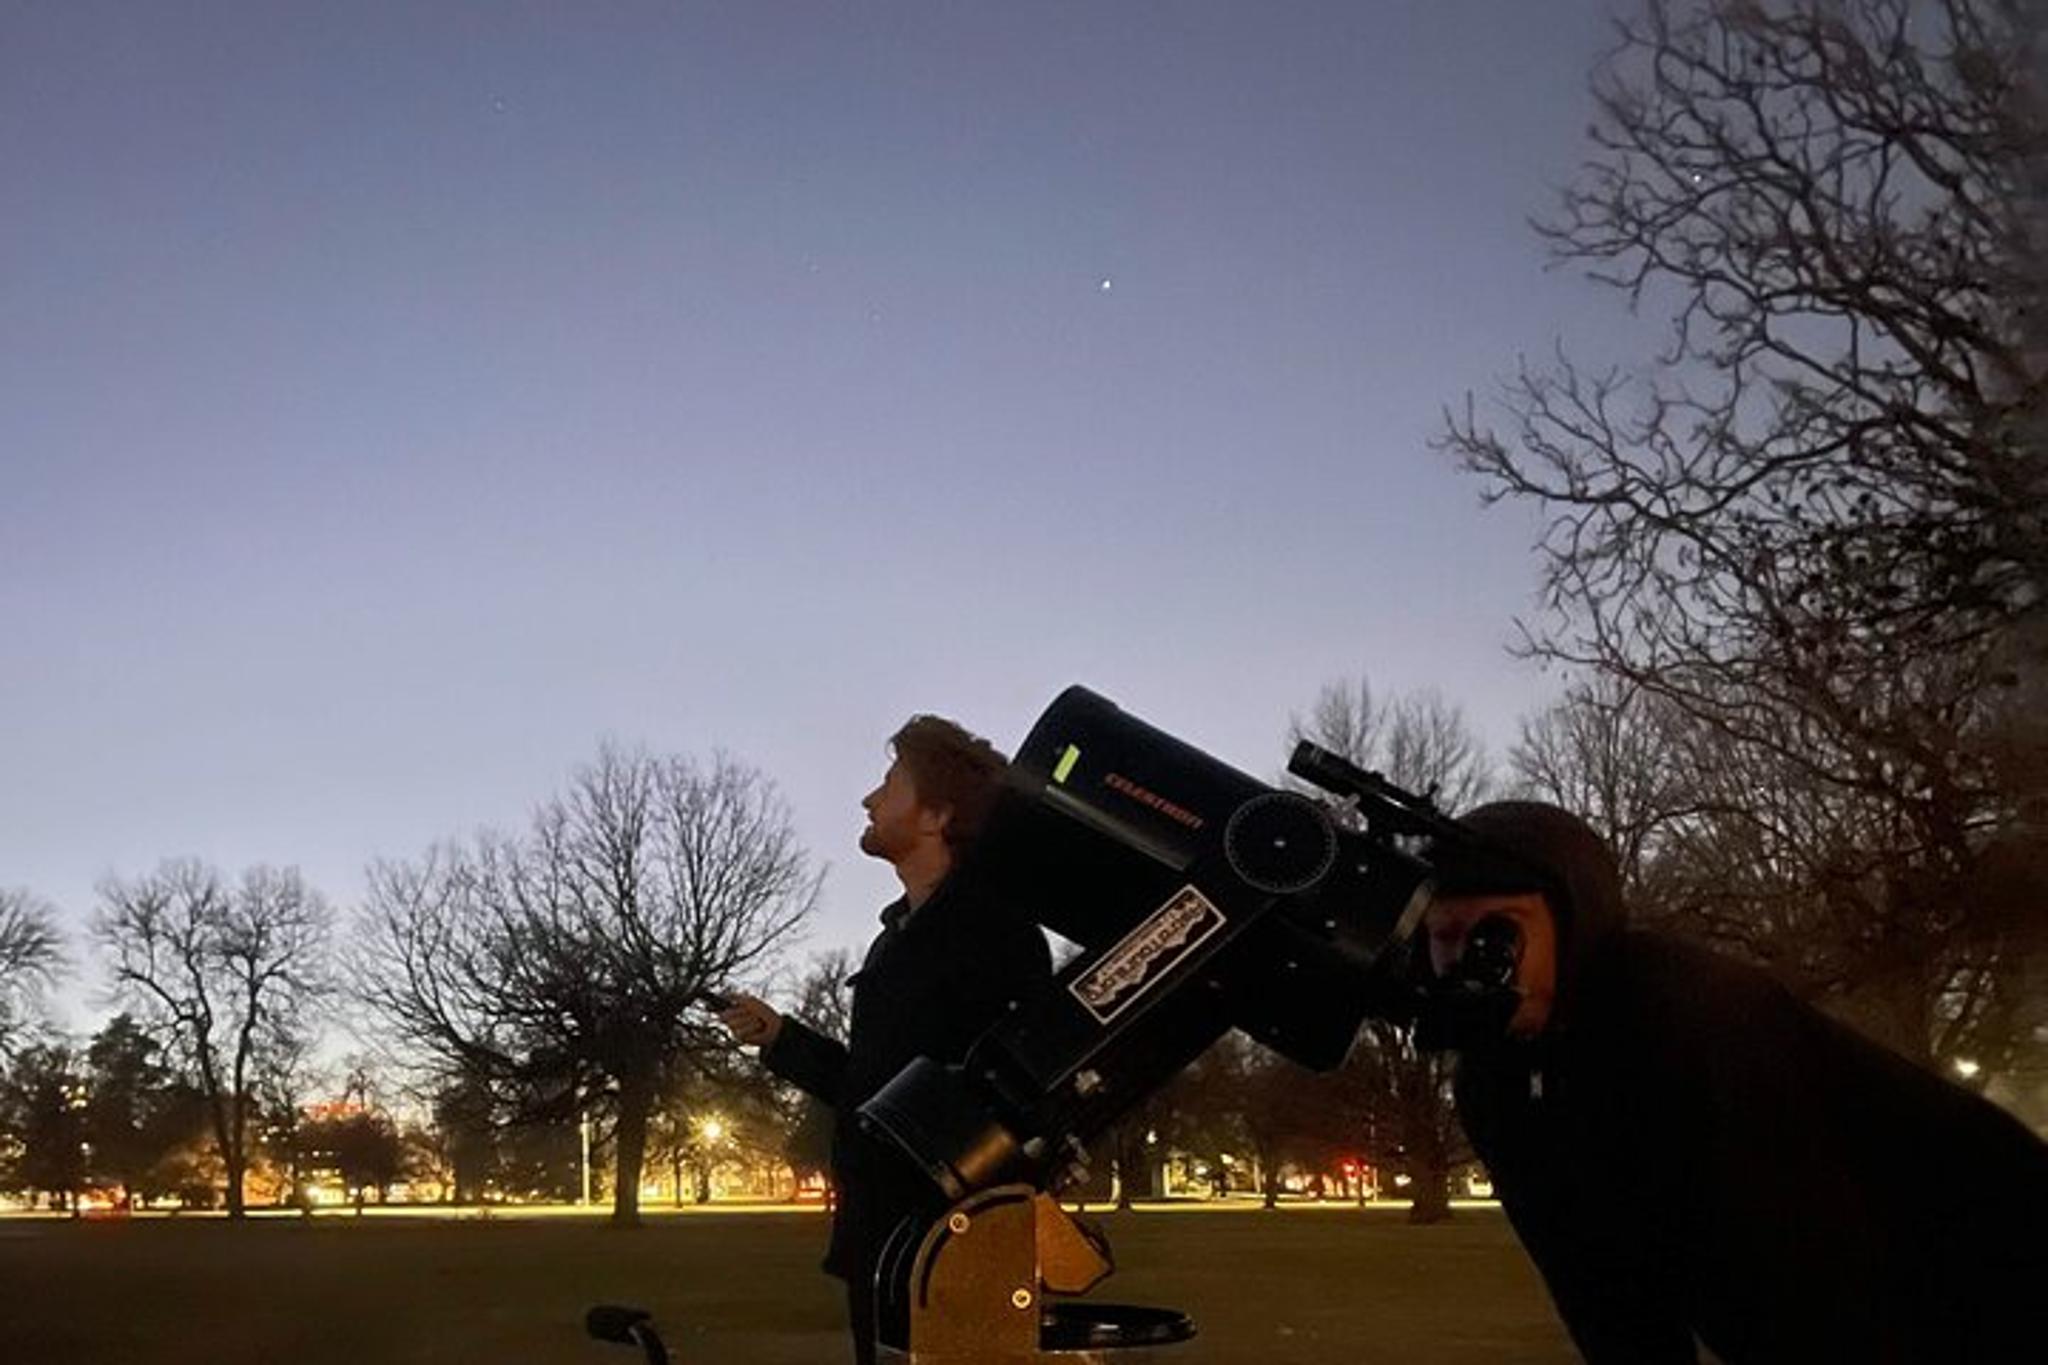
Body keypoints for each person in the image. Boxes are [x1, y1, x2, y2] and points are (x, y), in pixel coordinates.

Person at [1421, 800, 2048, 1364]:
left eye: (1499, 933)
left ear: (1574, 920)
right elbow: (1600, 1293)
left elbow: (1800, 1289)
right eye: (1445, 937)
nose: (1466, 963)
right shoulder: (1495, 1084)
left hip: (1995, 1273)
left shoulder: (1679, 1014)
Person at [719, 715, 1051, 1365]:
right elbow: (875, 1093)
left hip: (955, 1246)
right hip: (885, 1240)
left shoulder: (996, 934)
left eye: (890, 783)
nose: (869, 799)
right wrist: (782, 1038)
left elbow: (1012, 1099)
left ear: (936, 815)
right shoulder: (896, 938)